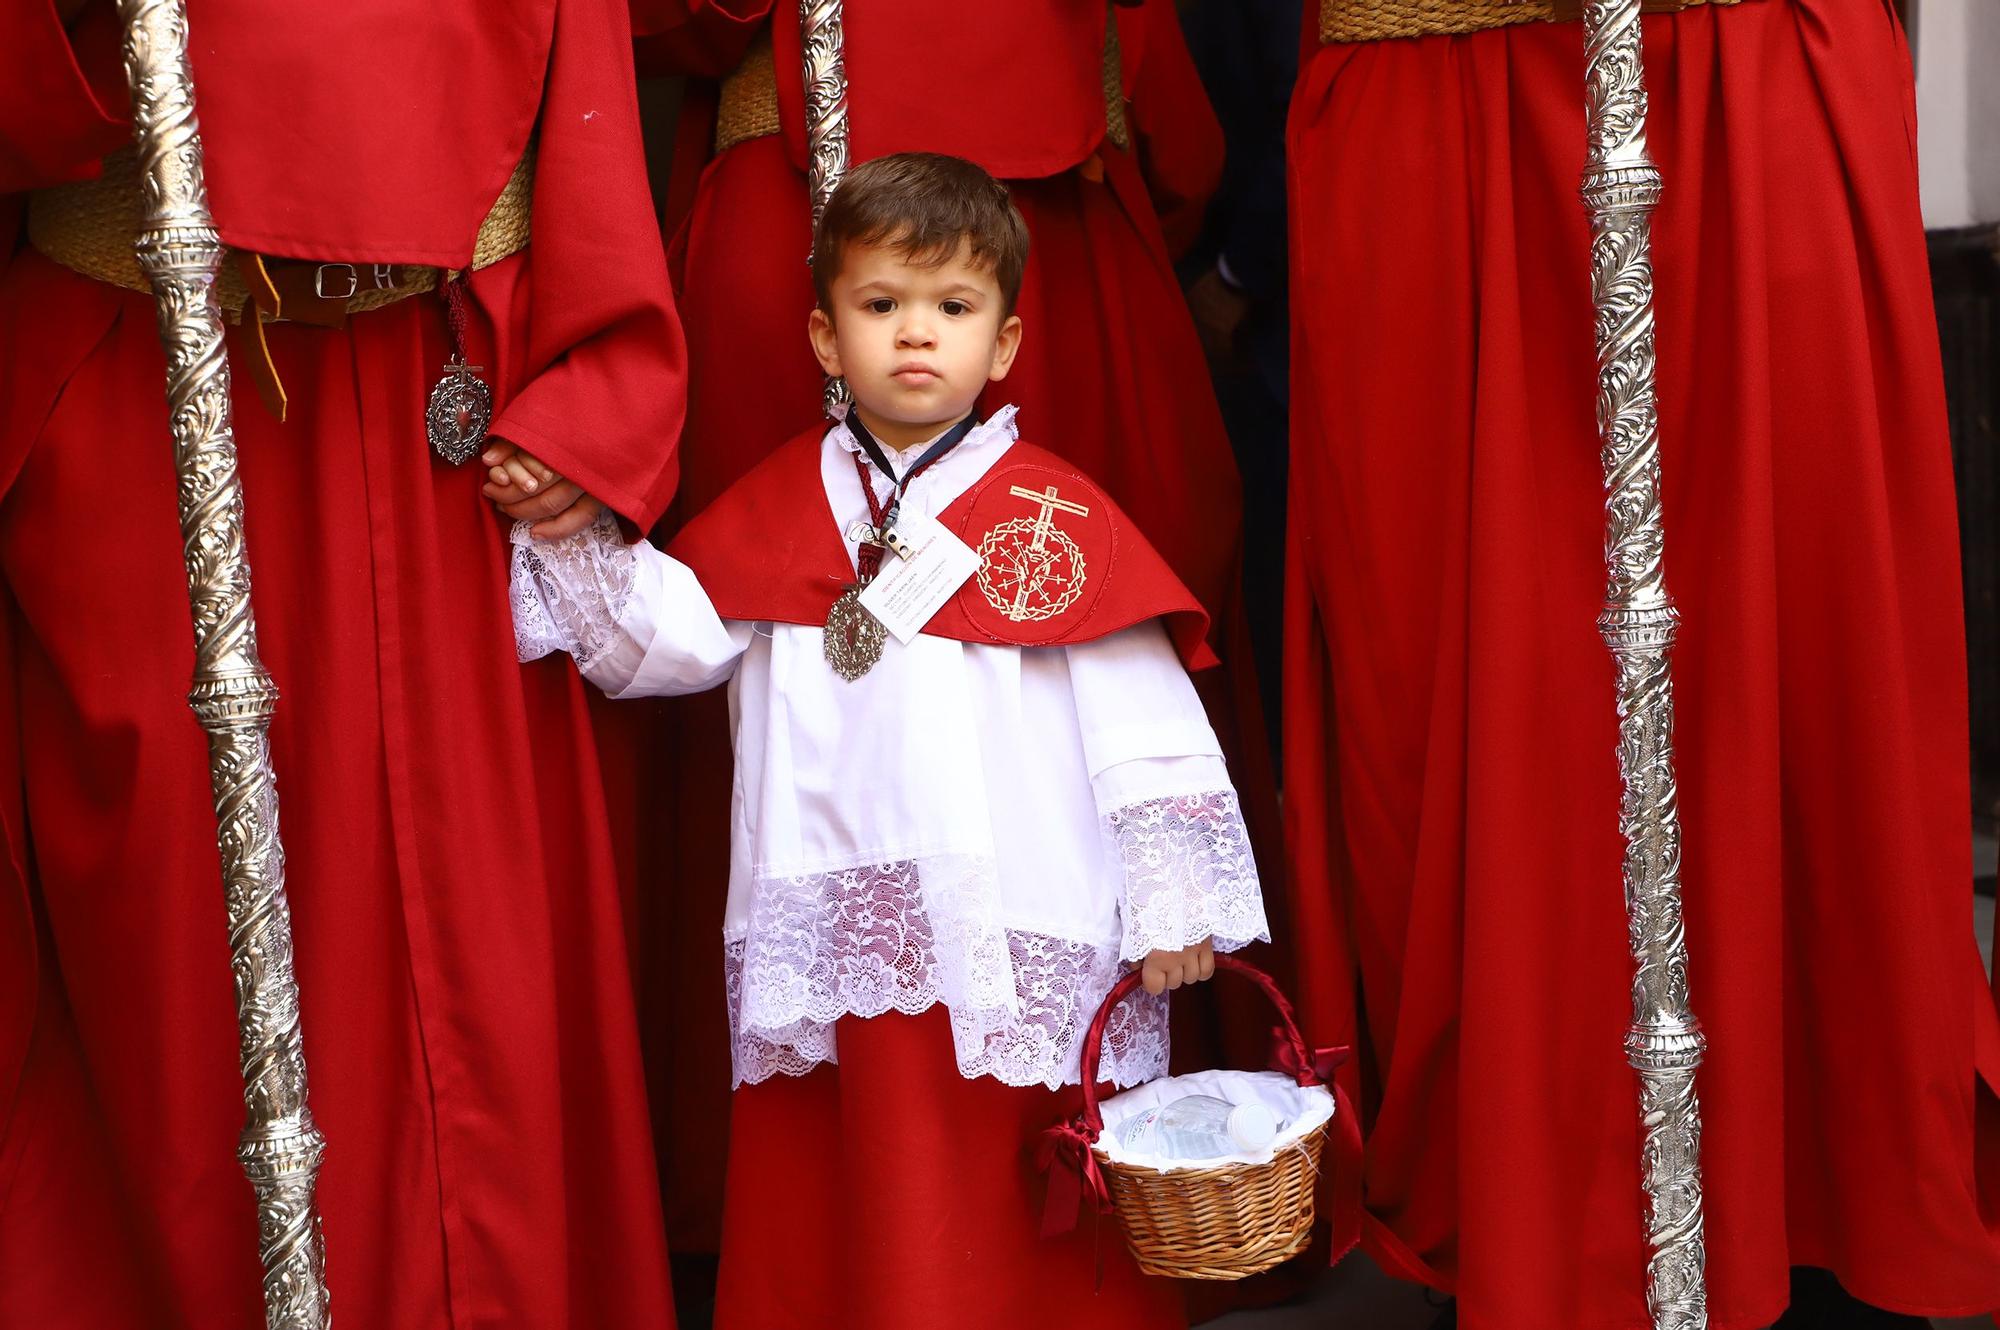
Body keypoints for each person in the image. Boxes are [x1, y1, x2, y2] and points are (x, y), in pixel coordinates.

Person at [1284, 1, 2000, 1327]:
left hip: (1739, 71)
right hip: (1436, 81)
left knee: (1788, 593)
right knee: (1458, 647)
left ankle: (1803, 1170)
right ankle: (1521, 1181)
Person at [0, 0, 684, 1324]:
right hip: (145, 396)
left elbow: (580, 76)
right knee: (170, 948)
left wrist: (599, 385)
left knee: (478, 950)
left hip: (449, 415)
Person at [508, 152, 1271, 1329]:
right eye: (880, 306)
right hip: (829, 925)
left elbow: (1146, 718)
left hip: (1016, 931)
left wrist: (1171, 904)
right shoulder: (776, 507)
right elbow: (670, 641)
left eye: (952, 309)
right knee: (844, 1198)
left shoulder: (1051, 519)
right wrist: (567, 534)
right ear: (824, 337)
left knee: (1003, 1211)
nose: (916, 337)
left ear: (1003, 344)